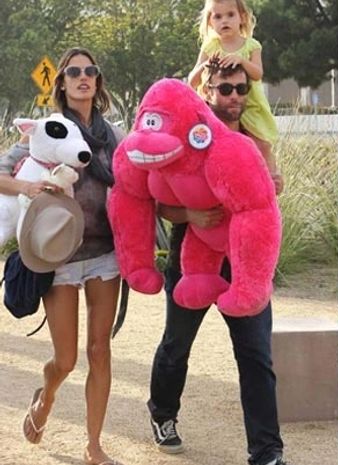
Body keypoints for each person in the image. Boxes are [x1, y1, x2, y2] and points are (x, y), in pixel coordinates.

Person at [147, 64, 289, 465]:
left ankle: (267, 451)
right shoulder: (188, 139)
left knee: (256, 355)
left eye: (242, 89)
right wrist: (190, 215)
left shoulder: (258, 140)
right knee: (177, 345)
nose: (235, 96)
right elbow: (159, 203)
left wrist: (275, 185)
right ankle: (163, 414)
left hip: (245, 264)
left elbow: (264, 204)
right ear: (207, 92)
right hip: (192, 258)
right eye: (225, 89)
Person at [0, 47, 125, 465]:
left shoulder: (114, 136)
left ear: (98, 81)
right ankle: (46, 395)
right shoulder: (47, 131)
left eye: (91, 70)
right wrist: (27, 187)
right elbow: (2, 173)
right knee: (66, 360)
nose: (82, 77)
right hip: (60, 258)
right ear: (62, 83)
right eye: (74, 72)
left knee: (99, 350)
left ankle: (94, 446)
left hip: (105, 254)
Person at [188, 0, 281, 194]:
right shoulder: (211, 46)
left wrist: (242, 61)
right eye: (218, 17)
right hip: (215, 105)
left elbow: (257, 73)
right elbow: (192, 81)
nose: (224, 21)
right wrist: (205, 66)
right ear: (210, 22)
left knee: (261, 144)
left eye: (230, 15)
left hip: (251, 103)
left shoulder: (251, 45)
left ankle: (270, 178)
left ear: (242, 18)